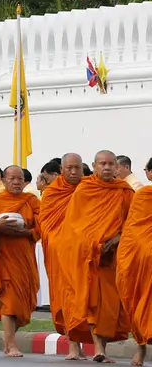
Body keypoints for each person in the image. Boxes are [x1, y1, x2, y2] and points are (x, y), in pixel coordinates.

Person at [60, 150, 136, 362]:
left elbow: (134, 222)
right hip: (90, 258)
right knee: (92, 302)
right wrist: (93, 246)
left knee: (108, 306)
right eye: (102, 163)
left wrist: (119, 238)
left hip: (113, 259)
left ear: (117, 167)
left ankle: (102, 348)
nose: (107, 167)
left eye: (111, 164)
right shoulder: (84, 190)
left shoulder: (124, 190)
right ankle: (98, 349)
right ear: (93, 166)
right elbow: (75, 227)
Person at [0, 165, 41, 357]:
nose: (16, 182)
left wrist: (27, 232)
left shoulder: (31, 201)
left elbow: (43, 227)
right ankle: (11, 344)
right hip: (3, 257)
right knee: (9, 301)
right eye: (12, 178)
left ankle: (8, 338)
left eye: (20, 179)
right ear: (3, 181)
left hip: (24, 257)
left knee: (24, 304)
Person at [42, 153, 91, 358]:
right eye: (69, 168)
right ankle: (73, 346)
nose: (73, 172)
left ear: (83, 168)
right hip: (61, 253)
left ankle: (97, 347)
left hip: (85, 253)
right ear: (61, 170)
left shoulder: (92, 188)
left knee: (87, 299)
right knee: (66, 298)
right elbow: (46, 226)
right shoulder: (53, 192)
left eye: (77, 168)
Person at [117, 157, 152, 367]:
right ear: (149, 174)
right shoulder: (143, 196)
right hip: (143, 261)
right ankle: (141, 348)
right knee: (139, 302)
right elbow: (134, 232)